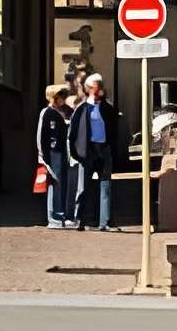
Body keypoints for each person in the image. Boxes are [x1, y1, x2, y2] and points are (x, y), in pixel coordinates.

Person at [70, 72, 123, 231]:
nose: (98, 89)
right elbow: (73, 132)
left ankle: (104, 222)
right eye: (95, 86)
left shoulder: (108, 107)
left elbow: (114, 129)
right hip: (88, 150)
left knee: (105, 186)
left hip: (104, 150)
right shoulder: (82, 109)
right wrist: (75, 154)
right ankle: (80, 220)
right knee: (84, 187)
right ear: (88, 89)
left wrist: (113, 150)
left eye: (100, 86)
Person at [36, 84, 79, 229]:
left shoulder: (62, 112)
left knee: (62, 185)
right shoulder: (46, 113)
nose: (63, 99)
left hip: (61, 153)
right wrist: (43, 156)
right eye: (61, 96)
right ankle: (54, 217)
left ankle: (60, 217)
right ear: (54, 97)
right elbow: (41, 136)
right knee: (55, 185)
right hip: (52, 154)